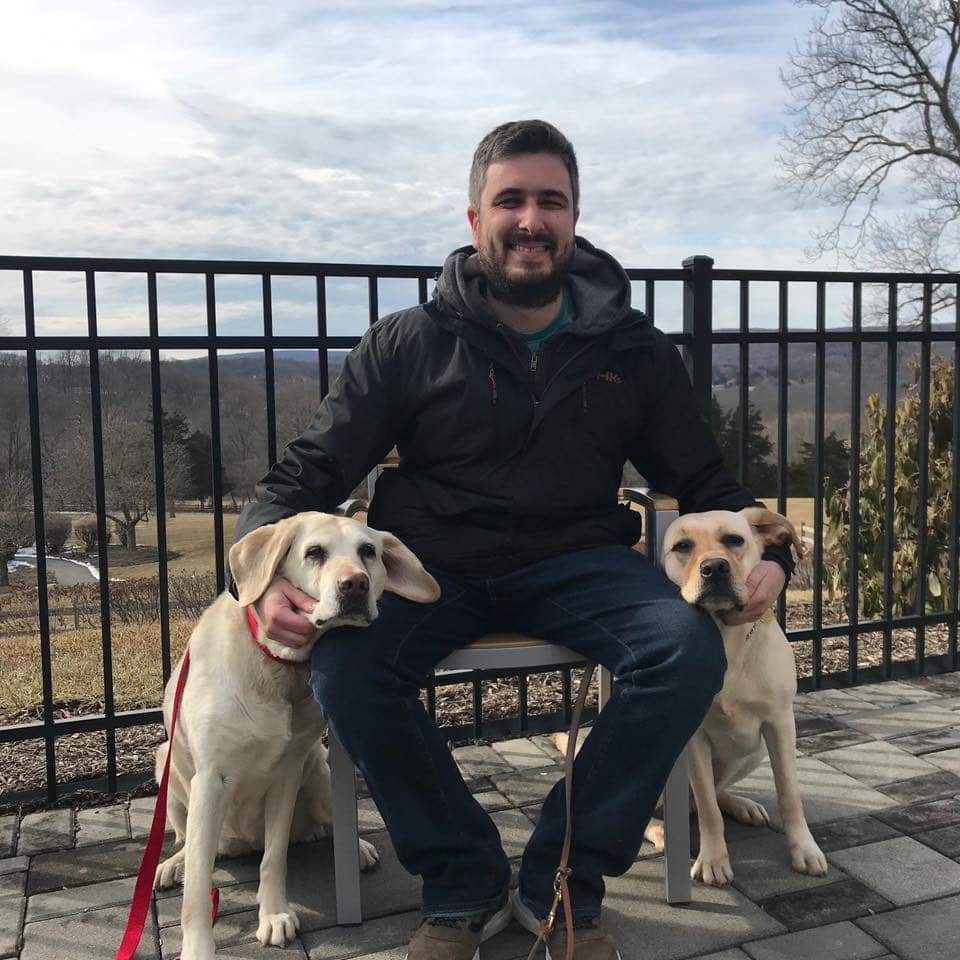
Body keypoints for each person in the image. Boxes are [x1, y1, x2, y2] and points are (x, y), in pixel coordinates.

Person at [232, 120, 792, 960]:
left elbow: (707, 480)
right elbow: (306, 473)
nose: (531, 220)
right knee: (348, 668)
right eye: (511, 200)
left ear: (574, 217)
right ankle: (461, 882)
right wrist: (260, 577)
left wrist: (774, 560)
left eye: (550, 202)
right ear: (474, 219)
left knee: (684, 648)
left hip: (580, 561)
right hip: (432, 564)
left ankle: (563, 877)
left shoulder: (632, 349)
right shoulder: (407, 343)